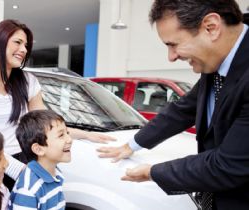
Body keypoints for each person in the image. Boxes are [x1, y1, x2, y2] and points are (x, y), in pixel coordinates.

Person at [97, 0, 249, 209]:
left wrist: (153, 172)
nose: (171, 57)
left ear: (211, 27)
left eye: (173, 44)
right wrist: (131, 144)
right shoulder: (217, 62)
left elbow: (228, 165)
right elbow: (184, 108)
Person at [0, 19, 115, 189]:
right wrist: (18, 170)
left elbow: (45, 125)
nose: (23, 50)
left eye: (26, 45)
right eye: (17, 42)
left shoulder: (26, 81)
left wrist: (86, 134)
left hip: (24, 158)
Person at [9, 110, 71, 210]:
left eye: (67, 133)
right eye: (61, 135)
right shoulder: (28, 189)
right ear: (38, 149)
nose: (69, 139)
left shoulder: (56, 172)